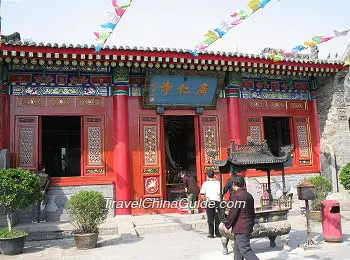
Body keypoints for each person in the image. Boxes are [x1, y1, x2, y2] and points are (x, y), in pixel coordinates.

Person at [221, 175, 259, 260]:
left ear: (234, 184)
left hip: (241, 227)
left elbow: (233, 213)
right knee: (237, 250)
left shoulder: (237, 196)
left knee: (245, 251)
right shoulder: (249, 195)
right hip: (246, 226)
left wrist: (227, 225)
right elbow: (252, 212)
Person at [200, 170, 221, 238]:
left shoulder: (205, 183)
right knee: (217, 217)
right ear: (213, 175)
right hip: (217, 201)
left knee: (210, 218)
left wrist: (204, 200)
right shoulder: (218, 183)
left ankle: (211, 234)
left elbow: (202, 194)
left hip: (209, 201)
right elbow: (220, 193)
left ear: (207, 176)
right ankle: (218, 233)